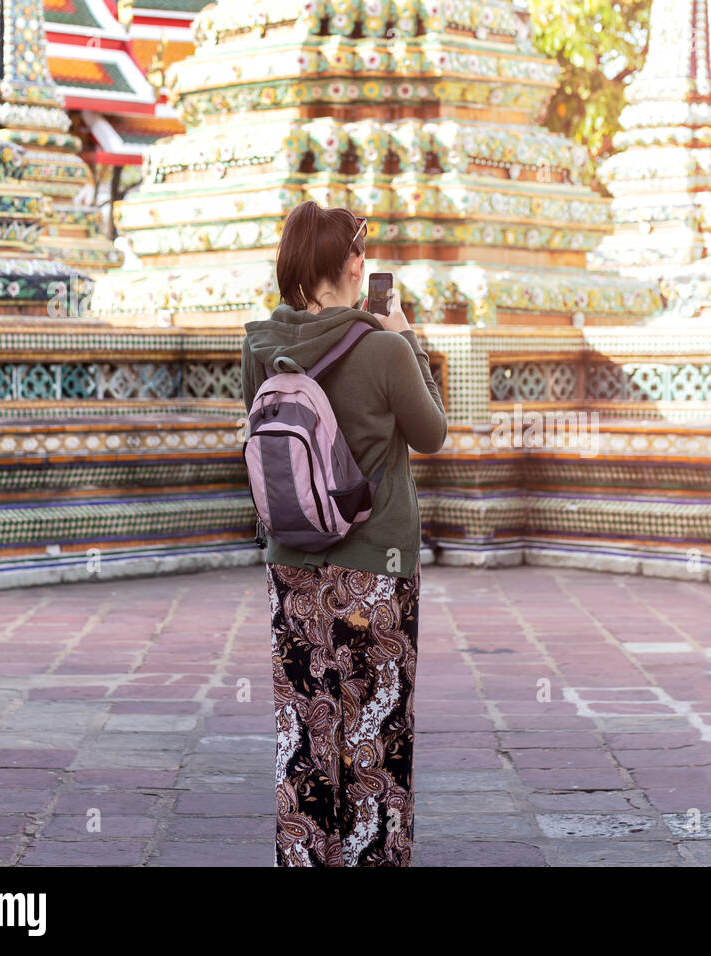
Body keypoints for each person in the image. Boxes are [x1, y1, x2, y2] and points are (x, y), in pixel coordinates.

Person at [240, 201, 447, 866]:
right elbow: (433, 434)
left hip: (291, 561)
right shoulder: (384, 348)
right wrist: (407, 338)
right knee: (373, 732)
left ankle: (304, 856)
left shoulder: (259, 345)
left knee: (304, 729)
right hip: (374, 567)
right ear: (354, 264)